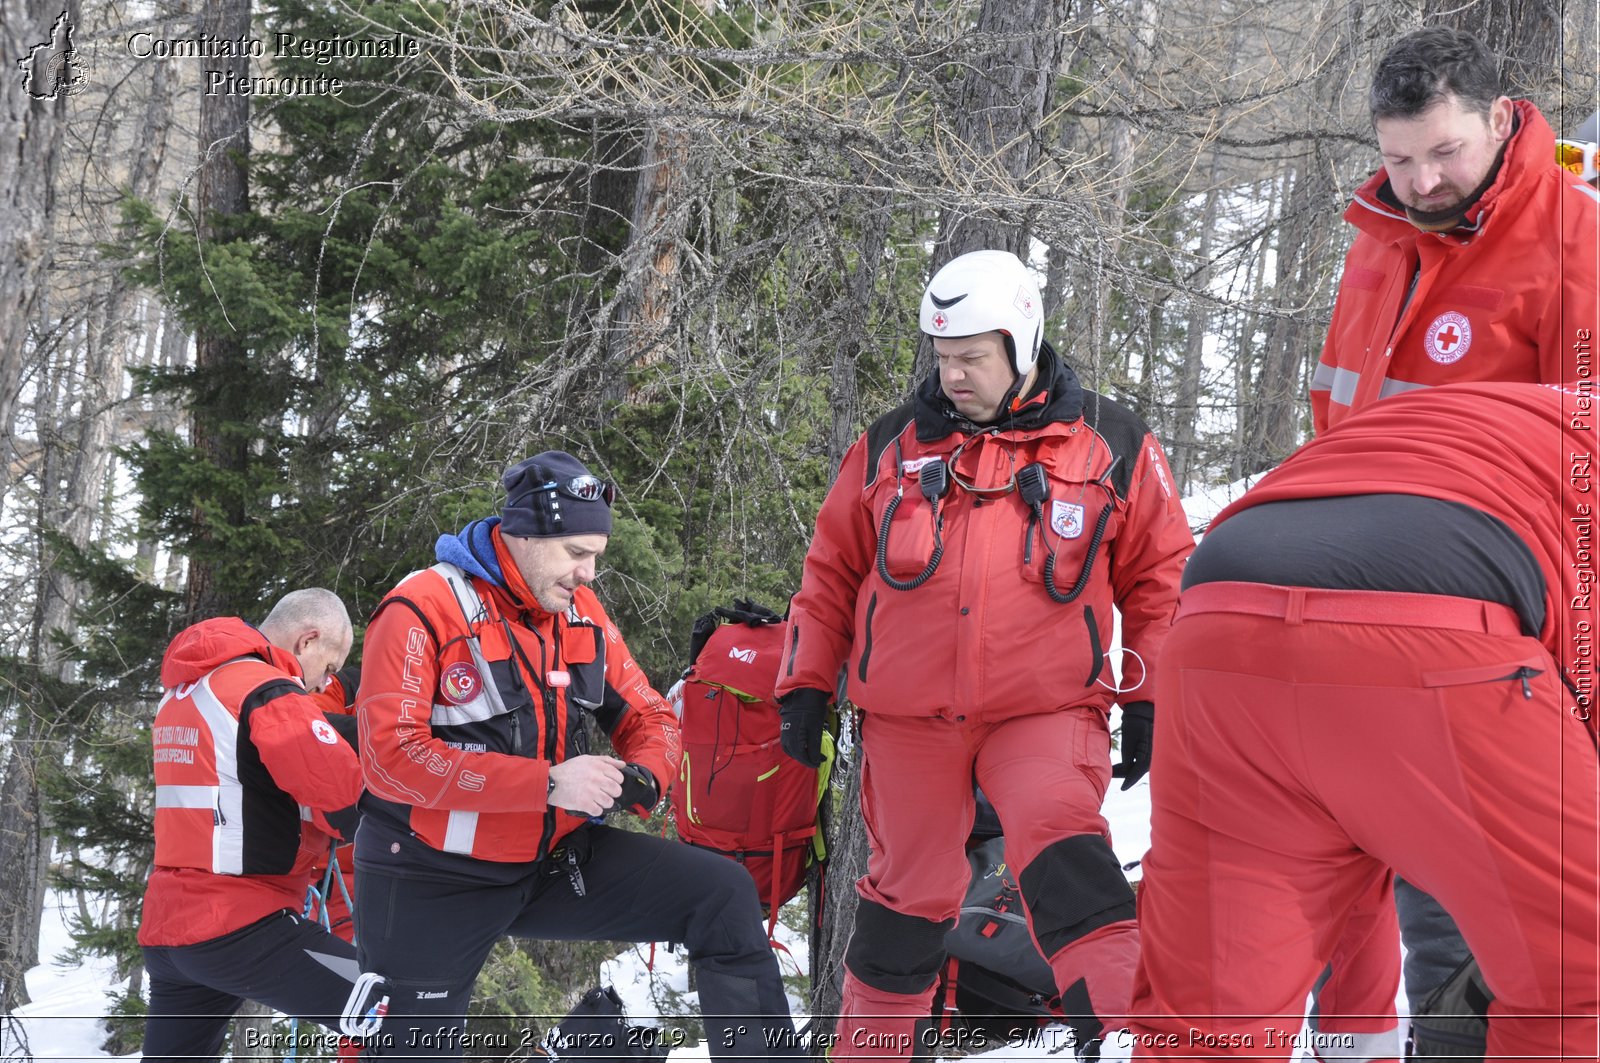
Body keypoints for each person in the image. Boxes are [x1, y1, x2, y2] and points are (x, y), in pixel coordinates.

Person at [776, 249, 1194, 1057]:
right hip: (908, 721)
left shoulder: (1111, 442)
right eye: (943, 357)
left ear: (1023, 340)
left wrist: (1152, 697)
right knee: (905, 899)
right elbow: (829, 573)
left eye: (972, 356)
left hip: (1044, 709)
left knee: (1064, 850)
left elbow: (1161, 581)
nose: (954, 374)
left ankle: (1129, 1041)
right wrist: (806, 684)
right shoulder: (891, 446)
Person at [1127, 382, 1600, 1059]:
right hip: (1432, 636)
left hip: (1218, 628)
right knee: (1578, 984)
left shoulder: (1474, 413)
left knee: (1207, 1026)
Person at [352, 451, 800, 1060]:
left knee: (720, 895)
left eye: (596, 555)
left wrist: (647, 773)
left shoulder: (577, 611)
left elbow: (650, 715)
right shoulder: (421, 609)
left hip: (549, 858)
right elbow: (389, 758)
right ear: (525, 535)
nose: (588, 572)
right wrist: (545, 784)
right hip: (433, 875)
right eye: (576, 553)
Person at [1309, 27, 1599, 436]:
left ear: (1497, 120)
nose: (1423, 184)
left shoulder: (1579, 235)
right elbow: (1331, 393)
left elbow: (1586, 444)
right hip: (1348, 493)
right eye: (1399, 160)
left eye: (1445, 152)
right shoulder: (1379, 229)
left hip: (1481, 501)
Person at [139, 588, 364, 1063]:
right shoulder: (267, 690)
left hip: (169, 930)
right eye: (329, 667)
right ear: (307, 640)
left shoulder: (185, 692)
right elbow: (343, 796)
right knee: (403, 1012)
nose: (326, 685)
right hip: (240, 925)